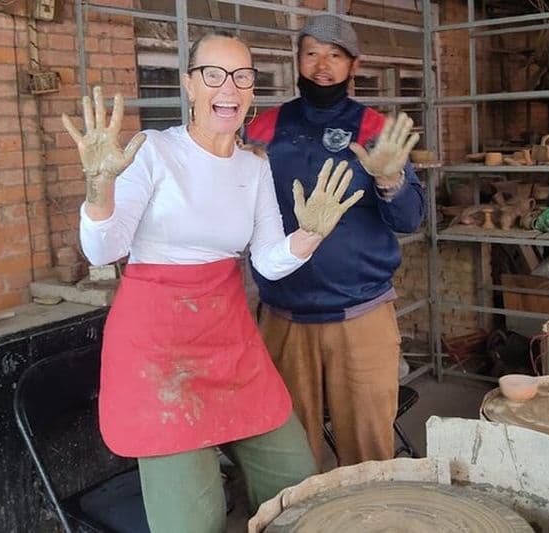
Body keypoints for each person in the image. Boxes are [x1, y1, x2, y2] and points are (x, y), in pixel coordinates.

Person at [62, 31, 363, 533]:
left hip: (228, 339)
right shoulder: (152, 152)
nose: (229, 87)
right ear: (189, 85)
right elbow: (103, 249)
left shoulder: (253, 167)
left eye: (242, 76)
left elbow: (267, 261)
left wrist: (308, 235)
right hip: (157, 352)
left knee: (295, 480)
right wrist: (99, 191)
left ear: (251, 90)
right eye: (214, 75)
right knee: (194, 519)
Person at [245, 14, 425, 468]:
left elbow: (410, 219)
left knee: (368, 450)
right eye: (312, 54)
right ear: (297, 60)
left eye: (335, 55)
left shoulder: (374, 129)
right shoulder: (263, 129)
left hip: (360, 312)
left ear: (353, 65)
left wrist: (391, 179)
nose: (322, 65)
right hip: (284, 315)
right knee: (288, 456)